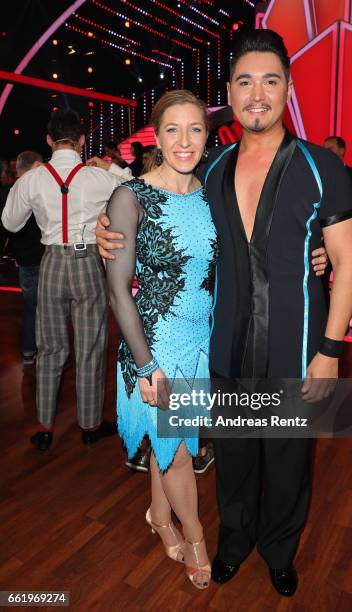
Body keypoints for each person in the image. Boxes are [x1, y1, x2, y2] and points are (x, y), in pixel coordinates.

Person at [97, 29, 352, 599]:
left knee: (289, 462)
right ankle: (234, 542)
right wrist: (108, 231)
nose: (257, 93)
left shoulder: (322, 167)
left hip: (297, 347)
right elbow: (165, 216)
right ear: (232, 92)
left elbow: (349, 262)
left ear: (288, 88)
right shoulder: (211, 169)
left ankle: (280, 552)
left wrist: (331, 351)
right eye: (245, 81)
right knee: (236, 458)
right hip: (223, 347)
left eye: (270, 80)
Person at [105, 90, 217, 589]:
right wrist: (147, 364)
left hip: (201, 336)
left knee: (169, 443)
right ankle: (194, 536)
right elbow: (117, 290)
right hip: (155, 343)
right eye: (173, 129)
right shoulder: (130, 196)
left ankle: (158, 515)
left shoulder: (212, 191)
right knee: (178, 451)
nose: (184, 140)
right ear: (156, 134)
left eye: (195, 128)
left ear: (208, 136)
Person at [2, 110, 120, 452]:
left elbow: (10, 223)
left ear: (50, 140)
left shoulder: (32, 179)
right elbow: (137, 190)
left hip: (51, 263)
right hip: (87, 265)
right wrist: (109, 167)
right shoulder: (98, 178)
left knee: (50, 349)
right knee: (90, 349)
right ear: (82, 140)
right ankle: (90, 425)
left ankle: (44, 428)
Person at [5, 151, 44, 364]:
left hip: (24, 258)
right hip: (39, 256)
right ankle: (44, 350)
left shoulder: (12, 189)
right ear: (36, 165)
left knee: (31, 306)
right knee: (45, 307)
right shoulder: (32, 189)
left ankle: (29, 349)